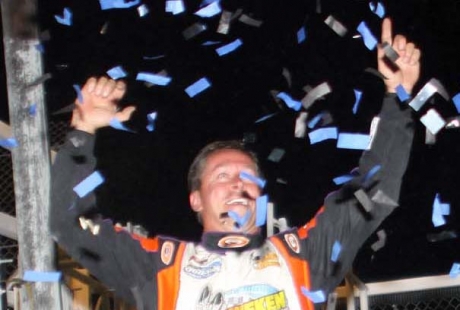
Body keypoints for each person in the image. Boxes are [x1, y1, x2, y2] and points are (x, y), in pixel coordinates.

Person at [50, 18, 420, 310]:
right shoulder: (160, 267)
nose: (238, 183)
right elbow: (68, 224)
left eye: (248, 177)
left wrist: (398, 96)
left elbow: (378, 188)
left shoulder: (304, 254)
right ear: (196, 198)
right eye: (222, 176)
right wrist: (82, 132)